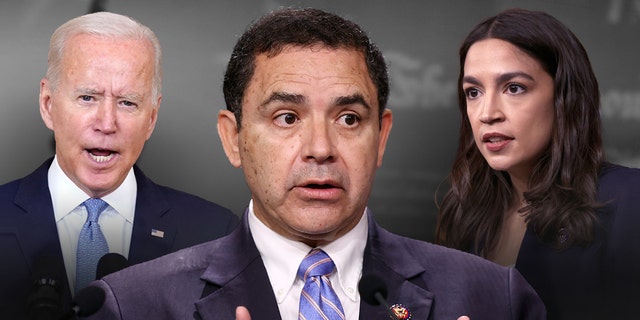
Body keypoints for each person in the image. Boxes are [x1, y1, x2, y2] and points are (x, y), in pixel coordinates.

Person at [85, 8, 545, 320]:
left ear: (380, 137)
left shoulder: (493, 298)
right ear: (234, 137)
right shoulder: (133, 305)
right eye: (287, 117)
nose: (320, 148)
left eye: (349, 118)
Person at [0, 11, 239, 318]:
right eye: (88, 97)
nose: (107, 123)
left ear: (151, 118)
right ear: (48, 105)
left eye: (128, 102)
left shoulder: (215, 234)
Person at [436, 7, 640, 320]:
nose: (487, 113)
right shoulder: (466, 216)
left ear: (564, 96)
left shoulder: (629, 200)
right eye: (473, 92)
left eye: (513, 88)